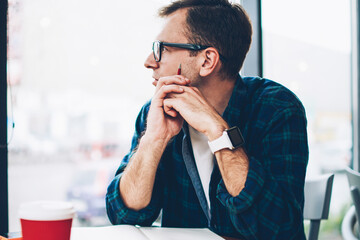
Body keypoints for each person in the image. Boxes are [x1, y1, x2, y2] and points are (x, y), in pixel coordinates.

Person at [106, 0, 309, 239]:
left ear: (207, 60)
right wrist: (153, 139)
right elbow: (124, 215)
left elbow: (277, 229)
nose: (150, 60)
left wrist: (217, 130)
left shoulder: (277, 108)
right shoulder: (157, 112)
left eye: (162, 48)